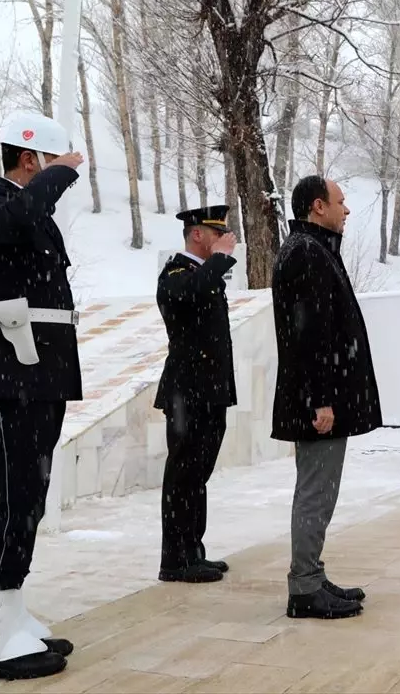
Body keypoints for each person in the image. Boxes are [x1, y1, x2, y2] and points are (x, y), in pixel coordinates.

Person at [0, 112, 84, 681]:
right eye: (53, 164)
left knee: (28, 496)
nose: (65, 176)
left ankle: (11, 614)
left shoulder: (25, 209)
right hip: (3, 377)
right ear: (31, 159)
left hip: (34, 377)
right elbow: (18, 216)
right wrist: (57, 177)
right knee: (11, 498)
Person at [271, 175, 383, 620]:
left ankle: (312, 574)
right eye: (340, 201)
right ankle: (303, 588)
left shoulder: (312, 249)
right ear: (318, 206)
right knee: (316, 491)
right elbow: (310, 333)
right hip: (317, 400)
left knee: (319, 489)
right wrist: (321, 399)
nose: (346, 209)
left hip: (320, 395)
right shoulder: (307, 254)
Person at [154, 205, 239, 584]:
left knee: (198, 475)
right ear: (197, 235)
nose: (223, 239)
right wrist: (220, 260)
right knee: (183, 475)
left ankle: (193, 549)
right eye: (215, 233)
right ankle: (174, 560)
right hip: (187, 392)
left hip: (210, 390)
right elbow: (189, 293)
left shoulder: (205, 274)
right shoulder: (177, 272)